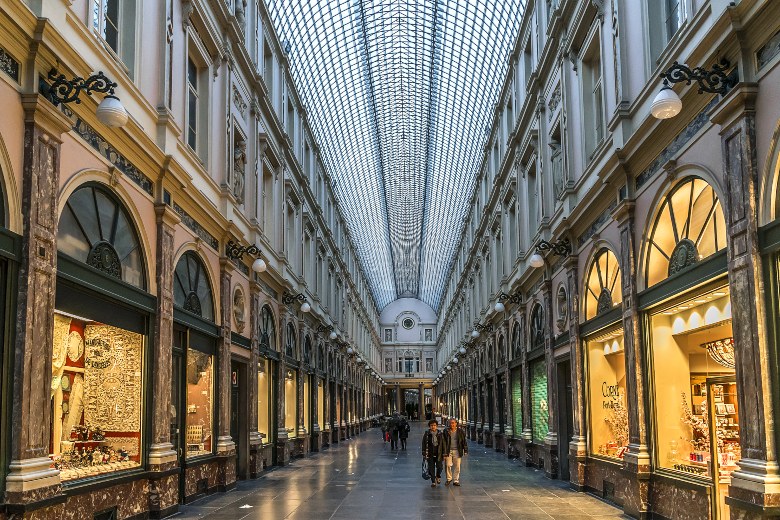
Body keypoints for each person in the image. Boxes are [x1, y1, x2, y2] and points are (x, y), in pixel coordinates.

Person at [443, 418, 468, 486]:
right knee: (448, 465)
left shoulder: (460, 431)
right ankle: (449, 478)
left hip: (457, 450)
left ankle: (456, 480)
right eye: (451, 423)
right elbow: (443, 442)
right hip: (448, 450)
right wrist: (444, 452)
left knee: (457, 466)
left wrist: (465, 450)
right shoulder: (446, 431)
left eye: (453, 423)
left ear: (456, 424)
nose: (452, 424)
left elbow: (463, 441)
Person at [422, 419, 444, 487]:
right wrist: (424, 452)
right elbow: (424, 443)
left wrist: (444, 453)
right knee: (431, 467)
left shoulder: (440, 434)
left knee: (439, 467)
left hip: (439, 453)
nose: (433, 427)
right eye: (431, 425)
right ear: (429, 426)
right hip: (430, 453)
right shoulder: (427, 434)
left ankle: (438, 476)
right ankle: (433, 481)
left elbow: (443, 444)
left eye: (434, 425)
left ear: (436, 426)